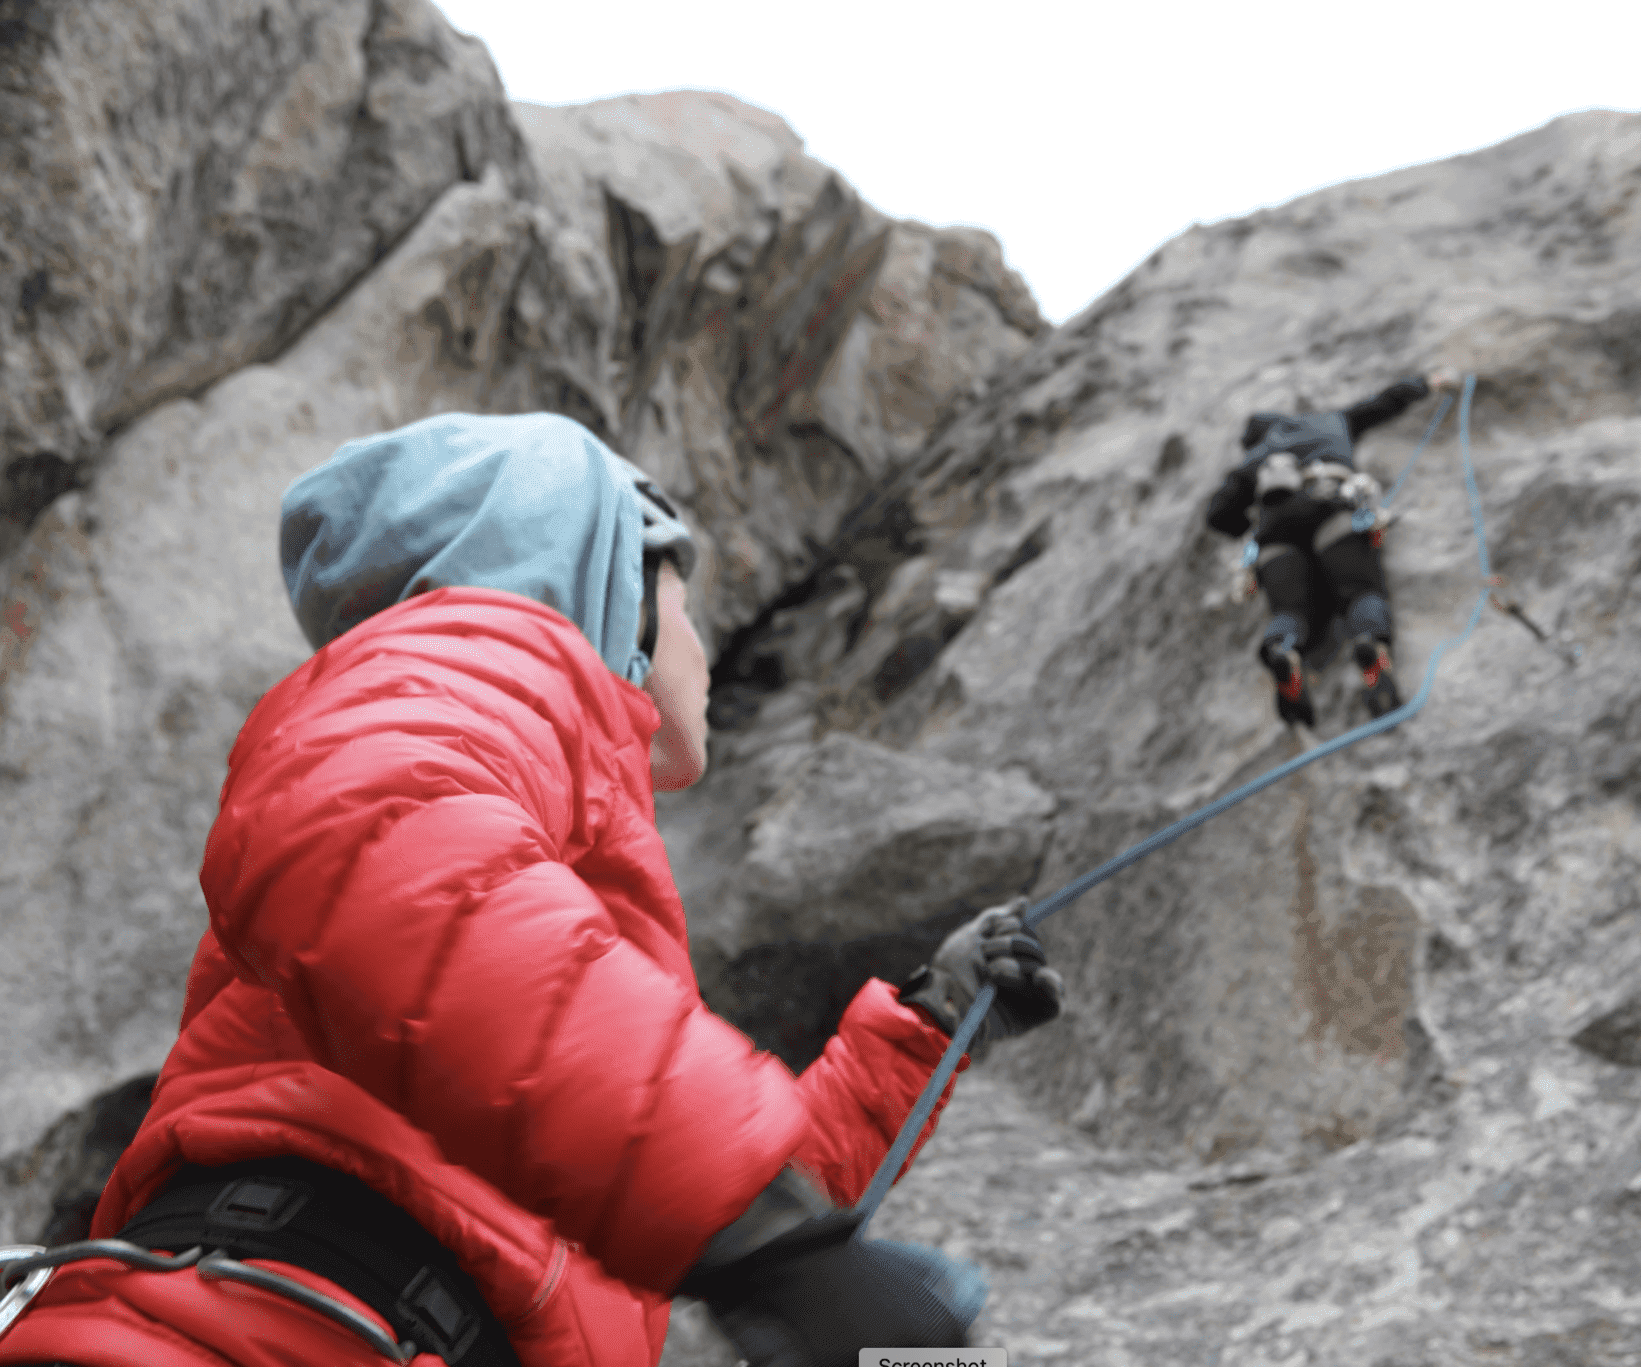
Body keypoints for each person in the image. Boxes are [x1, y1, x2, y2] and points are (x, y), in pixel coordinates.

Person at [0, 413, 1063, 1367]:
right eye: (687, 602)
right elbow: (381, 842)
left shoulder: (540, 858)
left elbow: (669, 1147)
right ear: (614, 581)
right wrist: (759, 1233)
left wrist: (926, 1028)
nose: (698, 645)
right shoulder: (475, 657)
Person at [1204, 369, 1459, 727]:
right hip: (1332, 511)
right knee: (1360, 591)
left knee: (1290, 609)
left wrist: (1249, 526)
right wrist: (1428, 383)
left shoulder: (1253, 459)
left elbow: (1217, 516)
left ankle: (1284, 649)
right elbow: (1383, 403)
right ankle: (1369, 643)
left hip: (1275, 535)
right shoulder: (1330, 422)